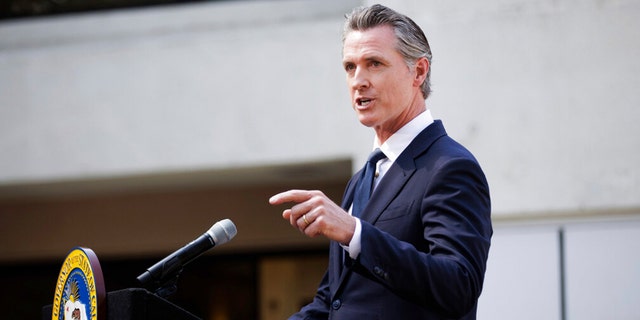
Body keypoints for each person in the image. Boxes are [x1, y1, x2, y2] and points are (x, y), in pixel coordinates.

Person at [269, 4, 492, 319]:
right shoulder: (362, 179)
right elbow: (334, 301)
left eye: (374, 63)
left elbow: (459, 285)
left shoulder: (450, 167)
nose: (358, 80)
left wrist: (355, 232)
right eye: (350, 67)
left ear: (418, 72)